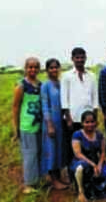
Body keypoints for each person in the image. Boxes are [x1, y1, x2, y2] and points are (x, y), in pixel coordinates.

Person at [61, 47, 99, 166]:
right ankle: (72, 173)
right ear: (72, 59)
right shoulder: (66, 76)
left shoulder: (91, 75)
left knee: (87, 145)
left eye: (82, 57)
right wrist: (68, 119)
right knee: (71, 146)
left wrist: (95, 117)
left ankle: (88, 170)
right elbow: (64, 99)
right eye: (77, 57)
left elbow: (95, 97)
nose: (80, 60)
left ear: (85, 58)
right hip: (73, 118)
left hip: (88, 120)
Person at [71, 111, 106, 202]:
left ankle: (99, 193)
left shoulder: (99, 134)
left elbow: (103, 153)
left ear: (96, 122)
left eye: (92, 122)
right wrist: (93, 165)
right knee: (81, 168)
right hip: (82, 161)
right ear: (82, 123)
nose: (90, 124)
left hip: (97, 161)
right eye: (87, 122)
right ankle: (81, 192)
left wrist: (100, 165)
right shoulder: (77, 135)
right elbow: (78, 154)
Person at [12, 57, 42, 194]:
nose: (33, 70)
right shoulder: (21, 86)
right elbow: (15, 108)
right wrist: (16, 128)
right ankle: (28, 184)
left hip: (39, 125)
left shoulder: (40, 85)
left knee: (39, 152)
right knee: (30, 154)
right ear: (25, 68)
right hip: (26, 126)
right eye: (30, 67)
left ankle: (37, 179)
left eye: (35, 67)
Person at [40, 58, 68, 189]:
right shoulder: (45, 85)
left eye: (56, 67)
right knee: (51, 150)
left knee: (59, 149)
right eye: (51, 68)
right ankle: (53, 180)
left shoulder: (61, 83)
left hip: (60, 122)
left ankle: (59, 176)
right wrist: (49, 124)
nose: (54, 70)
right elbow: (45, 106)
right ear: (47, 70)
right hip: (50, 123)